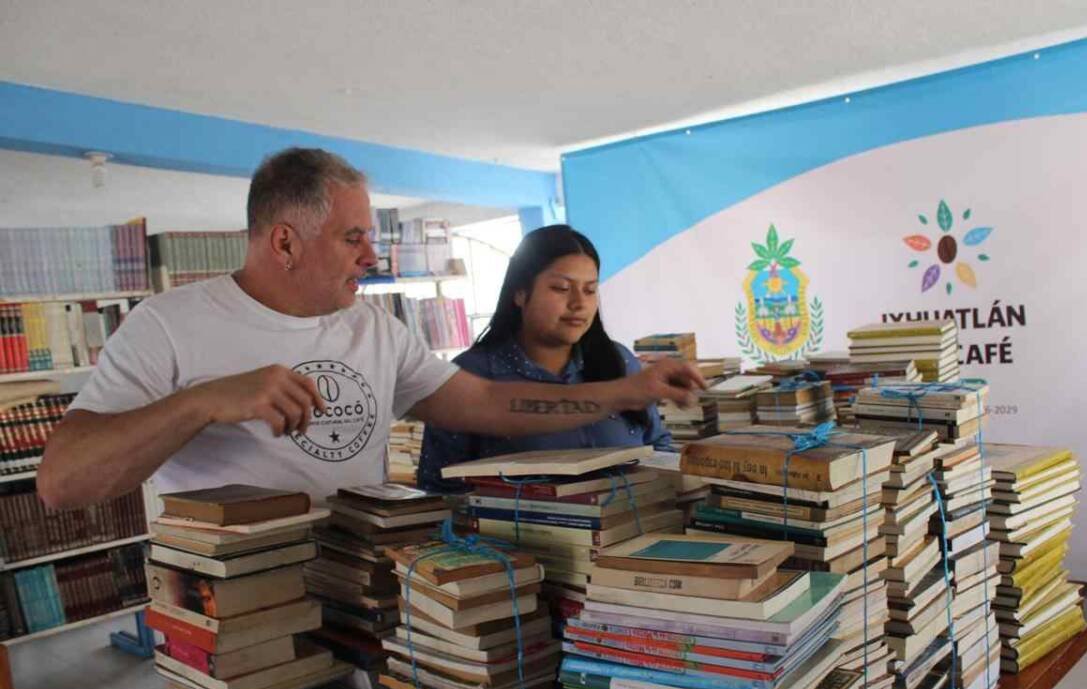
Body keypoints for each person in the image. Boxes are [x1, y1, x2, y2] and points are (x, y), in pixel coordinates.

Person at [36, 148, 704, 509]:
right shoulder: (168, 326)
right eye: (353, 237)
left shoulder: (374, 329)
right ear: (286, 243)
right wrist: (204, 401)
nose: (372, 256)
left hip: (362, 590)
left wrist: (625, 392)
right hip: (243, 627)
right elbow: (63, 483)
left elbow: (489, 403)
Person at [417, 225, 671, 493]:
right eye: (562, 288)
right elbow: (438, 490)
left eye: (589, 290)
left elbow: (658, 447)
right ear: (520, 293)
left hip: (631, 526)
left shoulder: (620, 362)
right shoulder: (468, 376)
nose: (579, 303)